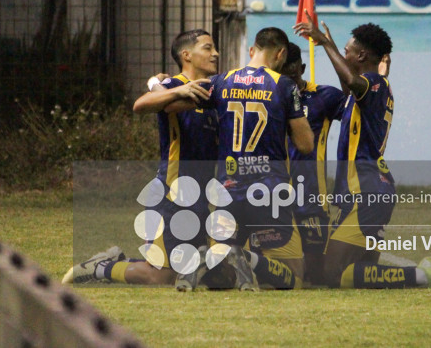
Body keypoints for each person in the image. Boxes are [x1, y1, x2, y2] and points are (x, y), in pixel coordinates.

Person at [294, 15, 431, 289]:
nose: (343, 54)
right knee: (362, 272)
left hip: (365, 191)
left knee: (332, 274)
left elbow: (353, 82)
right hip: (368, 191)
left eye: (347, 51)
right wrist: (328, 45)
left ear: (362, 54)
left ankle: (427, 276)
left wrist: (324, 43)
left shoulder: (375, 83)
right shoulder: (368, 88)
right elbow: (350, 85)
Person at [62, 29, 219, 286]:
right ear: (186, 55)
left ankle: (119, 258)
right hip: (172, 194)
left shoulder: (211, 89)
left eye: (214, 48)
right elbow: (140, 105)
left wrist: (154, 84)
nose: (215, 54)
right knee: (162, 276)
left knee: (191, 267)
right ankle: (100, 268)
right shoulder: (173, 85)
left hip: (200, 195)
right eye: (208, 47)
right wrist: (173, 90)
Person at [167, 27, 314, 290]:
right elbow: (305, 145)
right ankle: (246, 256)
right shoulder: (284, 85)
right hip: (269, 191)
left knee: (223, 278)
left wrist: (159, 84)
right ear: (280, 54)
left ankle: (205, 258)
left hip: (228, 190)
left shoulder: (221, 81)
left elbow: (169, 104)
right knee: (294, 278)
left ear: (251, 51)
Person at [279, 43, 345, 285]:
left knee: (317, 275)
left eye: (293, 76)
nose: (288, 82)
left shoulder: (324, 96)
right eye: (282, 76)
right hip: (271, 195)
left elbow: (356, 102)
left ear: (303, 68)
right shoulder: (267, 94)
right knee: (277, 270)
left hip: (312, 198)